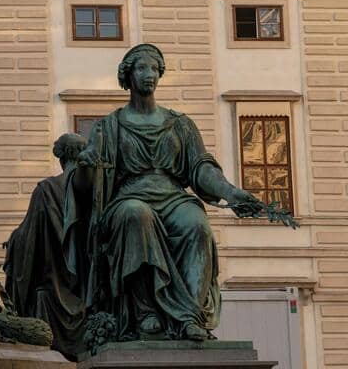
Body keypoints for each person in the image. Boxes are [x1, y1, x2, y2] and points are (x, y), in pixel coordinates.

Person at [81, 44, 262, 342]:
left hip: (173, 197)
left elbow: (201, 168)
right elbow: (90, 181)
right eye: (142, 68)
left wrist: (231, 192)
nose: (149, 74)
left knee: (197, 225)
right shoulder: (109, 126)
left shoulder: (180, 124)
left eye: (154, 69)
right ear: (128, 75)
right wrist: (86, 164)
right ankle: (144, 312)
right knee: (136, 216)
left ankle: (189, 316)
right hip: (129, 196)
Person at [3, 133, 93, 359]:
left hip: (54, 283)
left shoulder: (47, 189)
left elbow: (29, 238)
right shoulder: (95, 190)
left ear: (61, 158)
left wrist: (14, 240)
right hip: (88, 284)